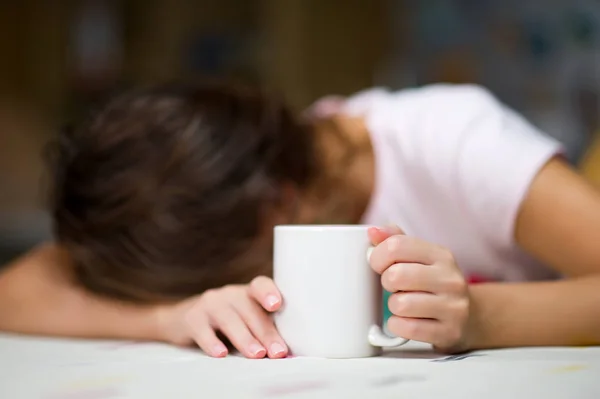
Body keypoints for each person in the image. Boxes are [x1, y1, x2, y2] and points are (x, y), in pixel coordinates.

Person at [1, 81, 599, 359]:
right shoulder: (201, 194)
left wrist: (480, 318)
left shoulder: (455, 143)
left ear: (278, 204)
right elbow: (16, 290)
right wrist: (167, 316)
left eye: (237, 268)